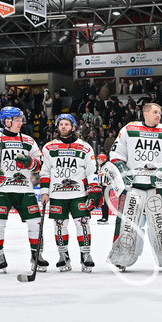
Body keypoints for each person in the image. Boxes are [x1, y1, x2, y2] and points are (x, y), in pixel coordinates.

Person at [107, 102, 162, 271]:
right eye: (155, 112)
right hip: (133, 186)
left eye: (160, 112)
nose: (158, 115)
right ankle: (122, 257)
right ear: (145, 113)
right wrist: (122, 171)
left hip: (158, 186)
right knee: (129, 224)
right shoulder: (128, 129)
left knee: (160, 224)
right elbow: (116, 156)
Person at [0, 106, 45, 273]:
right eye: (17, 119)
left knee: (35, 223)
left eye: (21, 119)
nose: (20, 122)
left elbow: (40, 162)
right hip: (0, 189)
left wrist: (30, 162)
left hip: (24, 188)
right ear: (7, 121)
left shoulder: (29, 140)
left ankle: (36, 254)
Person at [39, 113, 100, 272]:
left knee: (83, 224)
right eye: (61, 124)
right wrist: (44, 192)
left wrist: (94, 190)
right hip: (57, 195)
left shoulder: (85, 147)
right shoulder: (49, 147)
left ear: (73, 127)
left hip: (79, 194)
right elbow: (45, 172)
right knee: (60, 226)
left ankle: (86, 255)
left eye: (67, 124)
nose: (63, 127)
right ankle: (63, 256)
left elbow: (92, 171)